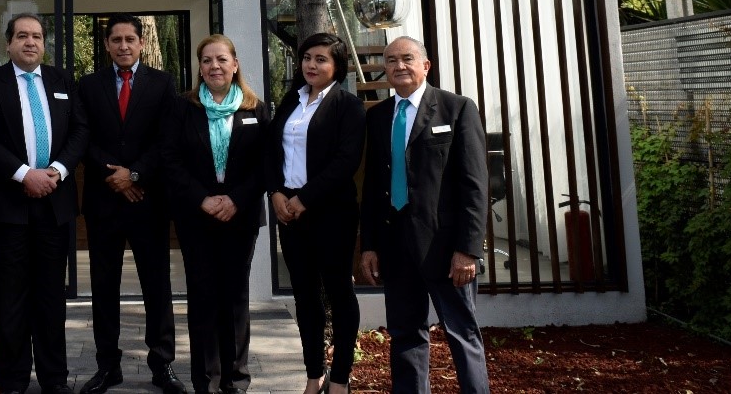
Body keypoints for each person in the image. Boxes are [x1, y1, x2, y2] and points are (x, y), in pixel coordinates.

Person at [359, 36, 491, 394]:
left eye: (407, 58)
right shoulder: (378, 116)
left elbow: (475, 185)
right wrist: (369, 245)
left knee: (462, 333)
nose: (399, 66)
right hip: (395, 247)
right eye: (391, 60)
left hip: (446, 250)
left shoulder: (456, 108)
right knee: (405, 335)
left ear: (425, 65)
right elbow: (373, 186)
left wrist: (468, 250)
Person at [0, 13, 89, 394]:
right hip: (8, 207)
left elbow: (81, 130)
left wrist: (56, 171)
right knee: (8, 299)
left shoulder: (62, 80)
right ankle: (12, 380)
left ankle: (54, 379)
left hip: (55, 203)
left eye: (36, 36)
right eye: (22, 36)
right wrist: (24, 174)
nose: (30, 42)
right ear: (9, 44)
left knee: (51, 297)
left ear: (44, 43)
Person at [77, 15, 186, 394]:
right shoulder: (88, 85)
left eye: (130, 39)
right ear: (107, 45)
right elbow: (82, 136)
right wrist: (116, 176)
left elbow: (167, 139)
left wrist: (135, 174)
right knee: (103, 287)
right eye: (116, 40)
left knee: (156, 286)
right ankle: (108, 366)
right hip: (103, 200)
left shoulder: (162, 83)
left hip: (148, 202)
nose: (123, 46)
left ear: (141, 43)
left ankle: (162, 364)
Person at [161, 34, 270, 394]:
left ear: (235, 65)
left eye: (222, 59)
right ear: (200, 67)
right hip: (196, 216)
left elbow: (266, 164)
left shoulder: (256, 108)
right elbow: (170, 160)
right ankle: (205, 380)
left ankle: (235, 379)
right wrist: (203, 199)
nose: (214, 66)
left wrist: (236, 199)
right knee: (203, 295)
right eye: (207, 60)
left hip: (241, 215)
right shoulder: (182, 107)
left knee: (235, 297)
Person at [266, 32, 367, 394]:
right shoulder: (291, 101)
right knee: (305, 297)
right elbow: (271, 153)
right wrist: (276, 193)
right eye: (307, 57)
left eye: (321, 59)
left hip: (331, 214)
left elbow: (346, 161)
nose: (311, 64)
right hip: (290, 215)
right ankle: (315, 375)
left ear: (337, 65)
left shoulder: (347, 105)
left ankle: (340, 379)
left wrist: (304, 199)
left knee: (339, 294)